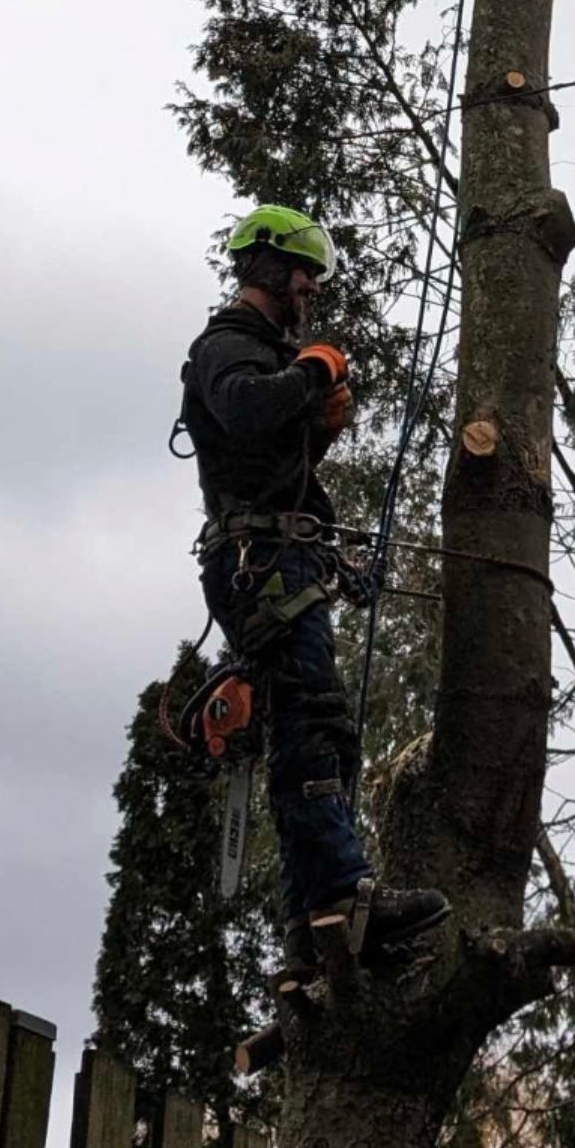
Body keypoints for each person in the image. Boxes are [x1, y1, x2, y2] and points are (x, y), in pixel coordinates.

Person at [180, 203, 449, 975]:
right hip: (259, 562)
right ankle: (340, 892)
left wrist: (319, 424)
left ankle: (314, 931)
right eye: (301, 272)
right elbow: (243, 407)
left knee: (314, 727)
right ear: (266, 265)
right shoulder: (228, 346)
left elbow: (270, 462)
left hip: (276, 557)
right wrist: (309, 373)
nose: (308, 288)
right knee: (311, 721)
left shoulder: (259, 351)